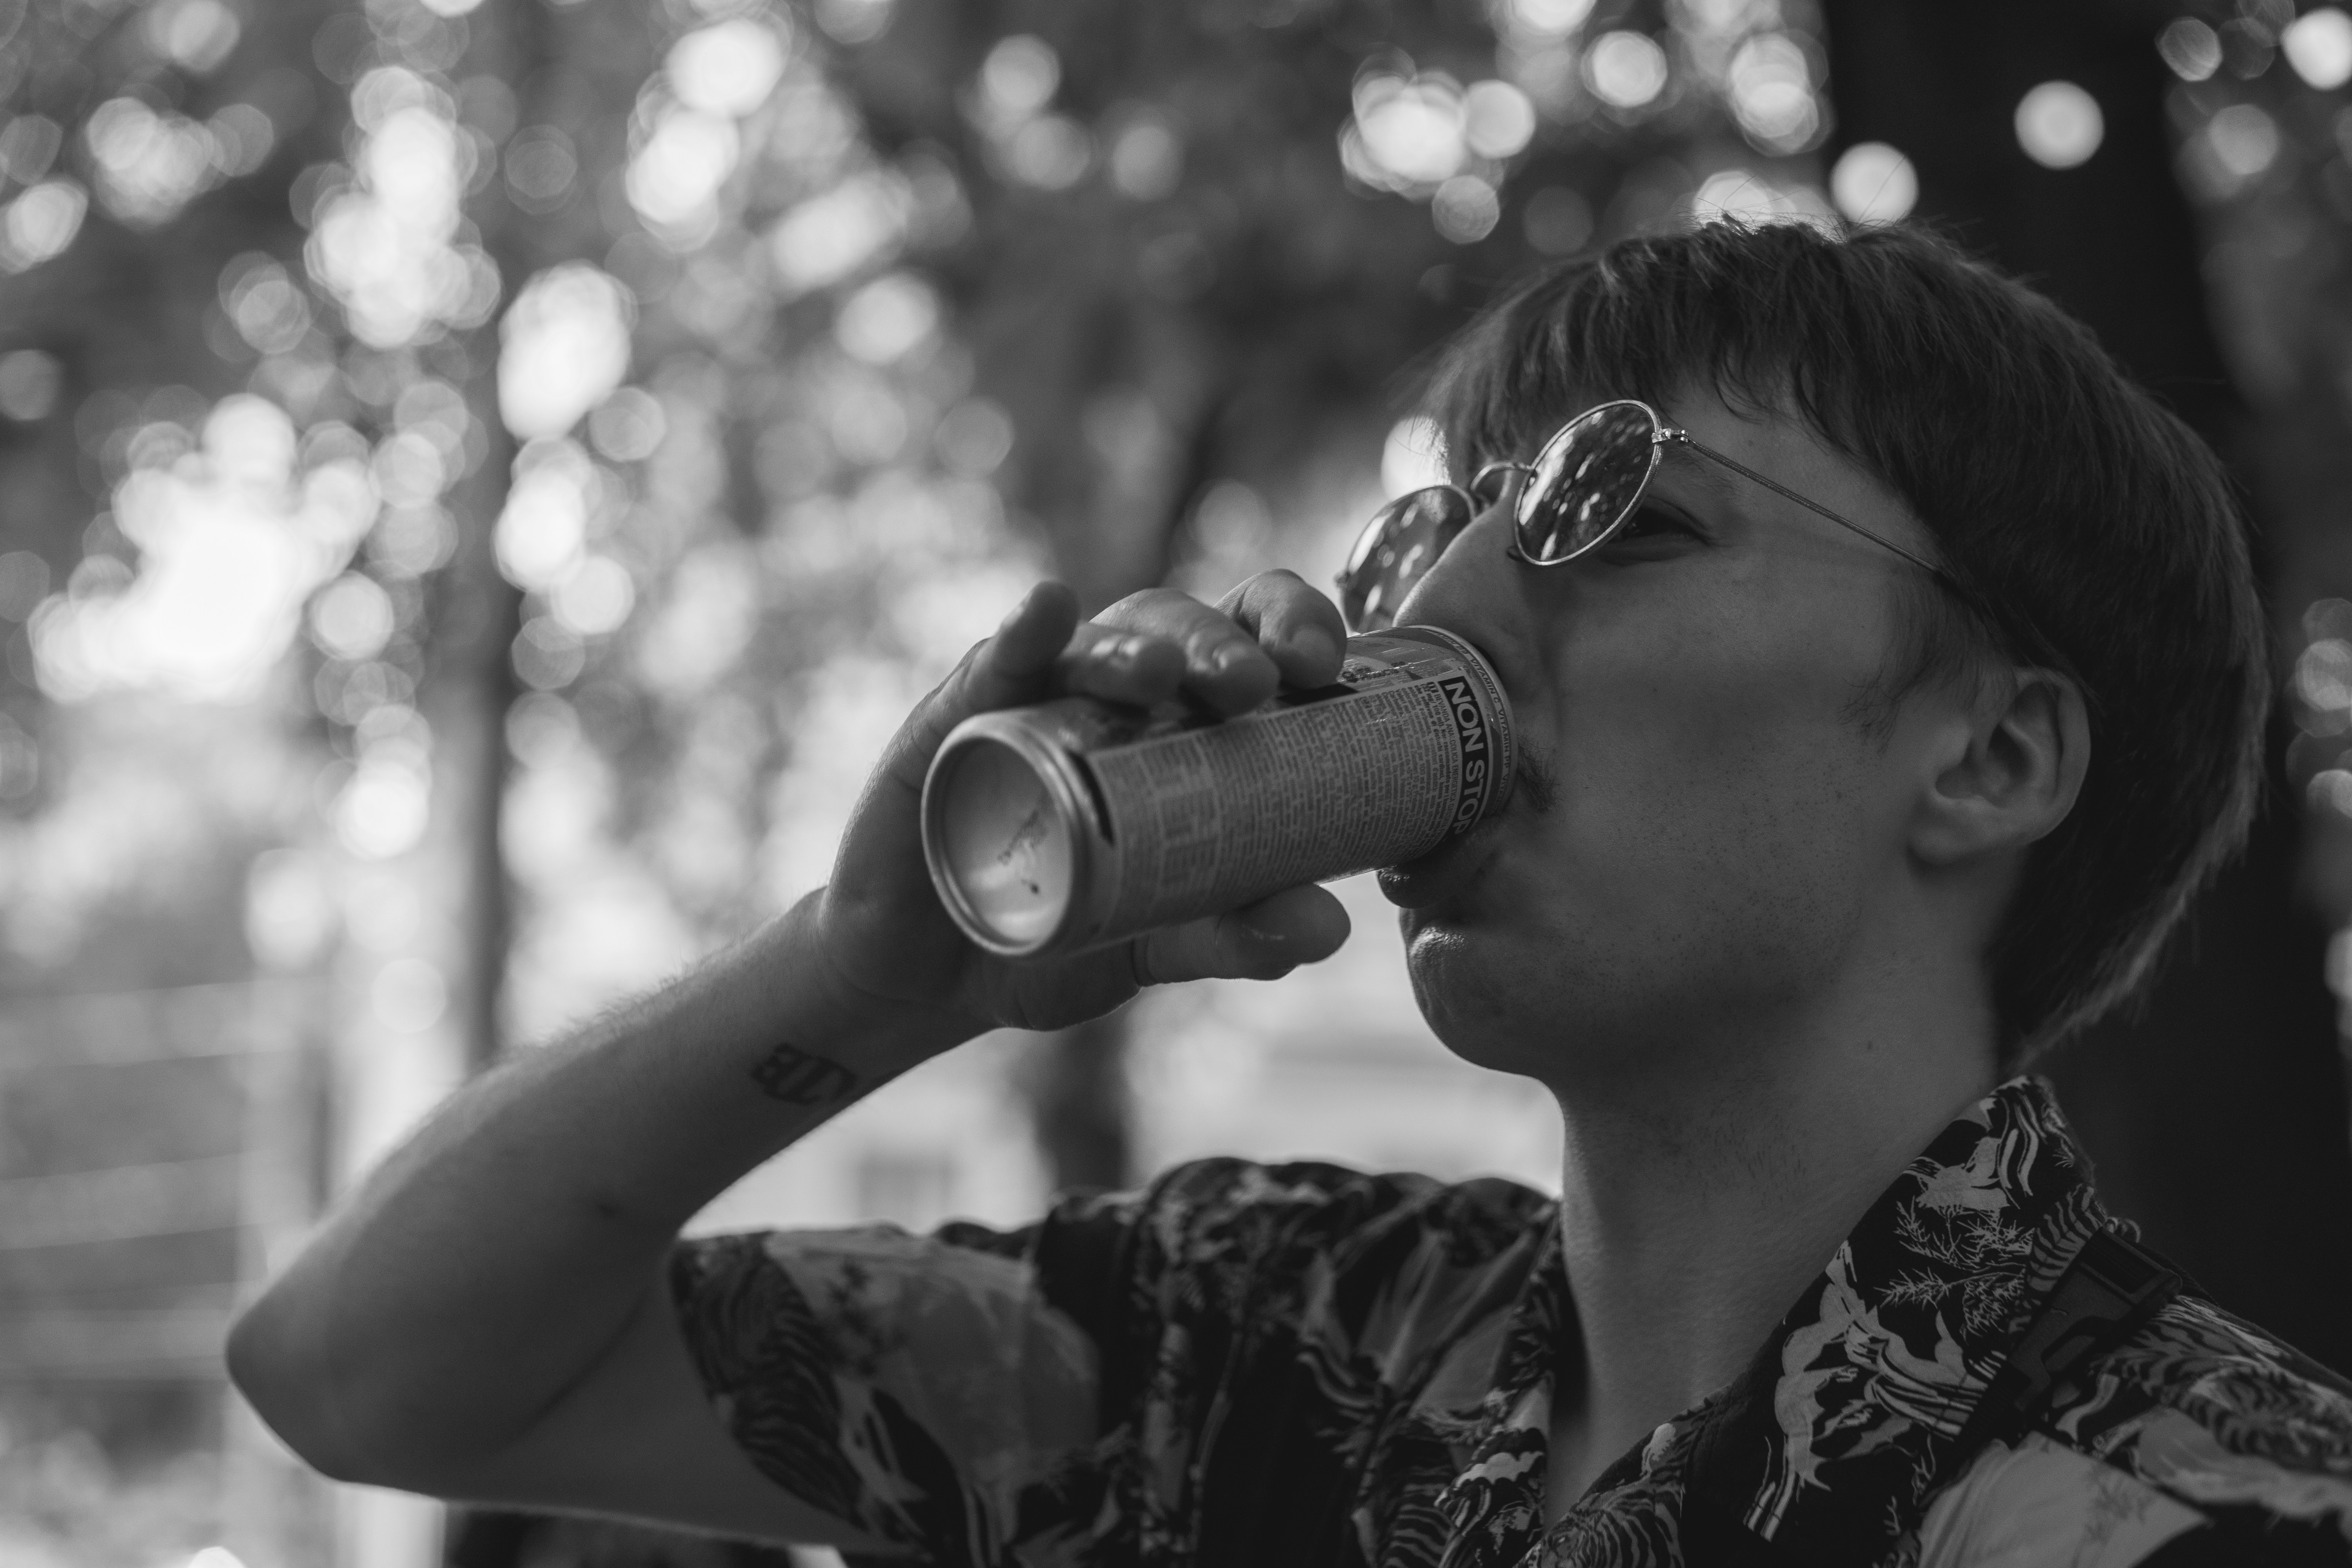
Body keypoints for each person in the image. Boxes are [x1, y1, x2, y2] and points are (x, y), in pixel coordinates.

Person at [227, 221, 2352, 1567]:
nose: (1433, 595)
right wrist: (870, 975)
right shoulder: (1240, 1345)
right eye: (1429, 520)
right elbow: (371, 1376)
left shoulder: (2201, 1513)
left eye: (1619, 508)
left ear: (1986, 754)